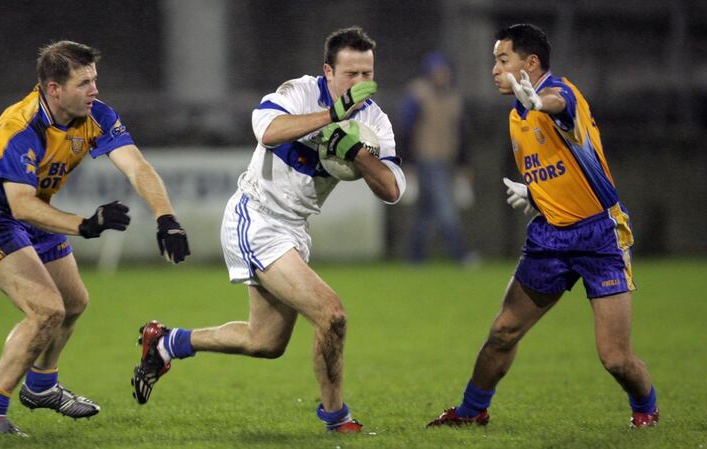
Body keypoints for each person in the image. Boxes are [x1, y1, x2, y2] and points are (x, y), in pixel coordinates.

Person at [131, 26, 405, 433]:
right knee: (332, 315)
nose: (361, 84)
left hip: (293, 229)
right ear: (328, 71)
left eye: (368, 74)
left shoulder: (374, 121)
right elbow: (267, 130)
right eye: (352, 74)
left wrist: (357, 154)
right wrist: (333, 116)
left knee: (265, 343)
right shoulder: (298, 92)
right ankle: (336, 416)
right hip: (255, 217)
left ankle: (168, 342)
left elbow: (393, 189)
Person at [426, 24, 658, 429]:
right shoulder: (517, 115)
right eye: (493, 61)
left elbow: (558, 104)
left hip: (599, 234)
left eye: (503, 60)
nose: (494, 70)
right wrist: (536, 195)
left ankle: (646, 408)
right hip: (550, 235)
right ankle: (470, 411)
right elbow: (563, 167)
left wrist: (541, 101)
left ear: (530, 63)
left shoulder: (561, 93)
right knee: (503, 330)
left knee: (615, 357)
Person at [0, 40, 190, 436]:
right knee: (46, 311)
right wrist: (85, 225)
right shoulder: (20, 126)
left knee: (75, 302)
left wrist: (166, 218)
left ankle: (42, 385)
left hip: (35, 212)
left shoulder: (95, 115)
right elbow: (20, 206)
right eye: (84, 83)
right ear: (54, 89)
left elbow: (138, 168)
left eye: (94, 80)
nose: (94, 90)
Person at [400, 52, 476, 264]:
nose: (441, 75)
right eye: (437, 71)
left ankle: (414, 257)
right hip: (425, 159)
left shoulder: (454, 97)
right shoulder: (418, 94)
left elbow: (462, 135)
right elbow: (406, 130)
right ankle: (461, 254)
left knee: (424, 212)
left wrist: (463, 165)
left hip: (446, 160)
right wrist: (407, 163)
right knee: (445, 209)